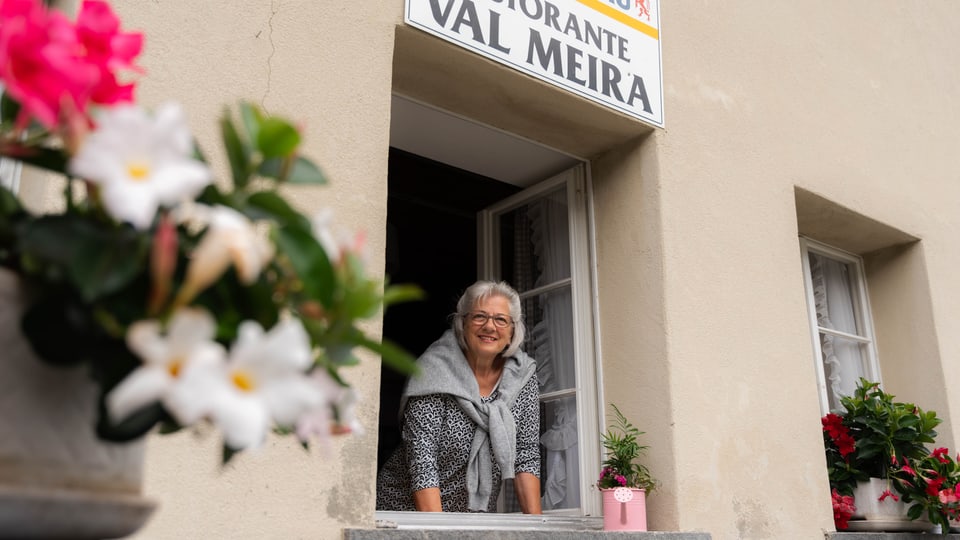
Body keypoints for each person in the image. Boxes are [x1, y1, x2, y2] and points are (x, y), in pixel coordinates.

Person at [376, 280, 541, 514]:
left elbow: (526, 455)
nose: (490, 326)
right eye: (479, 317)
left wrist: (538, 529)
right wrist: (439, 531)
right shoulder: (434, 373)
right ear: (462, 323)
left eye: (500, 319)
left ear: (512, 330)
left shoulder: (522, 377)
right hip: (407, 512)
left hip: (472, 518)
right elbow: (423, 463)